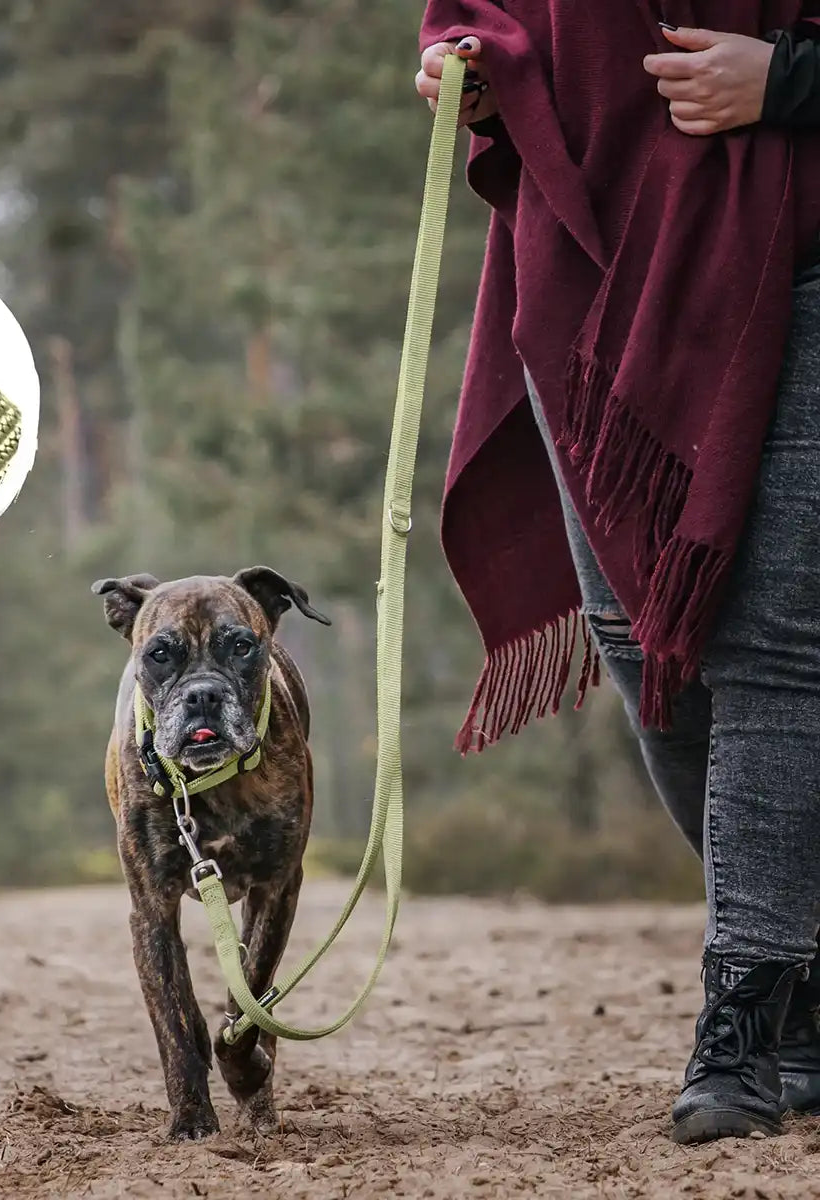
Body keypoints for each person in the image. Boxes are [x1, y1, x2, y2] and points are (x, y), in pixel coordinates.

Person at [414, 2, 820, 1146]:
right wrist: (463, 74)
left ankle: (744, 1017)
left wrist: (789, 78)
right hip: (585, 265)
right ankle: (804, 977)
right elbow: (474, 17)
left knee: (775, 648)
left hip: (794, 255)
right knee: (642, 639)